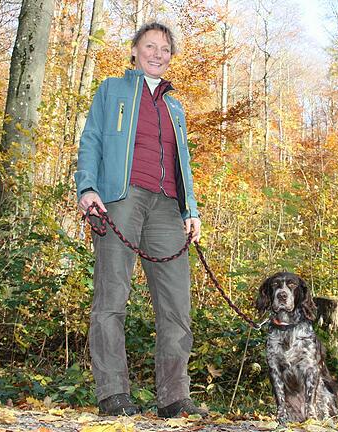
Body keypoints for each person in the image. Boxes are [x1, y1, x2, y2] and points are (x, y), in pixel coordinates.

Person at [74, 22, 207, 418]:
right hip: (122, 198)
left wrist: (191, 210)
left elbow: (184, 164)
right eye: (150, 46)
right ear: (134, 50)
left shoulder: (175, 105)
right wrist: (87, 189)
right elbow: (92, 140)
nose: (158, 53)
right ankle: (113, 393)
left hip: (168, 207)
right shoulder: (112, 89)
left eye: (165, 49)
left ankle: (173, 397)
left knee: (176, 305)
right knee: (111, 299)